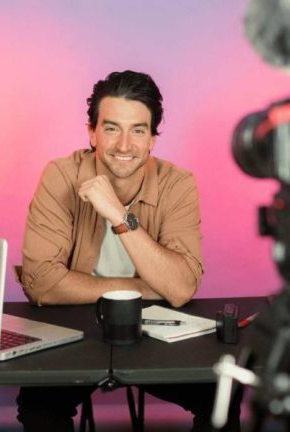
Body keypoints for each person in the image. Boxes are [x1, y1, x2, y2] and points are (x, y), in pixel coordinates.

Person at [17, 70, 240, 431]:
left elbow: (181, 288)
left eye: (138, 130)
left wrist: (119, 216)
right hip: (77, 328)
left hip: (154, 330)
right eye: (111, 129)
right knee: (38, 408)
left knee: (222, 395)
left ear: (152, 139)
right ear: (92, 133)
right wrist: (143, 288)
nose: (124, 145)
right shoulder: (60, 176)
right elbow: (41, 283)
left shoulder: (177, 184)